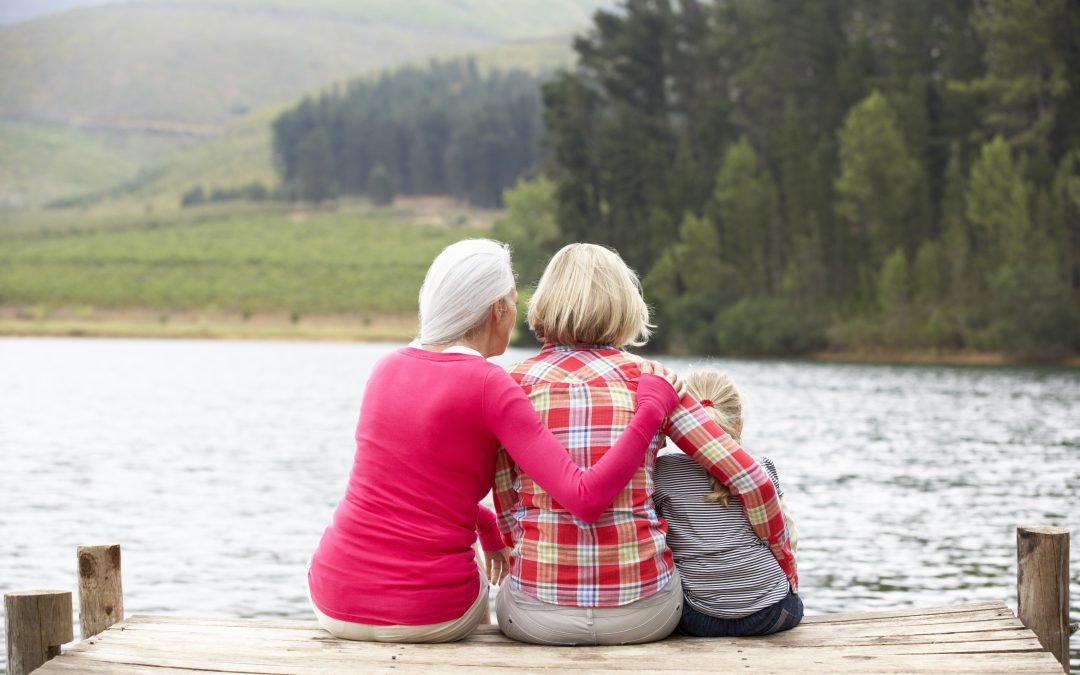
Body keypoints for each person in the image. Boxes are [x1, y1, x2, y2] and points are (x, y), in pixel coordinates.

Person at [307, 239, 683, 643]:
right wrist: (651, 409)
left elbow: (414, 494)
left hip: (331, 599)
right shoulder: (489, 384)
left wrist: (488, 531)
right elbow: (584, 497)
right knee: (479, 568)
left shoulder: (386, 368)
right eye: (513, 303)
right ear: (498, 309)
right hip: (427, 615)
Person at [493, 243, 796, 646]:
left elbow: (507, 505)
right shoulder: (653, 380)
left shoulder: (509, 384)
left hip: (538, 616)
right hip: (645, 615)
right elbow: (751, 481)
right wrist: (784, 558)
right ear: (624, 302)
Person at [653, 368, 803, 637]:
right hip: (771, 613)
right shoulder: (761, 469)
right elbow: (787, 537)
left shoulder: (661, 473)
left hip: (699, 617)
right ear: (739, 424)